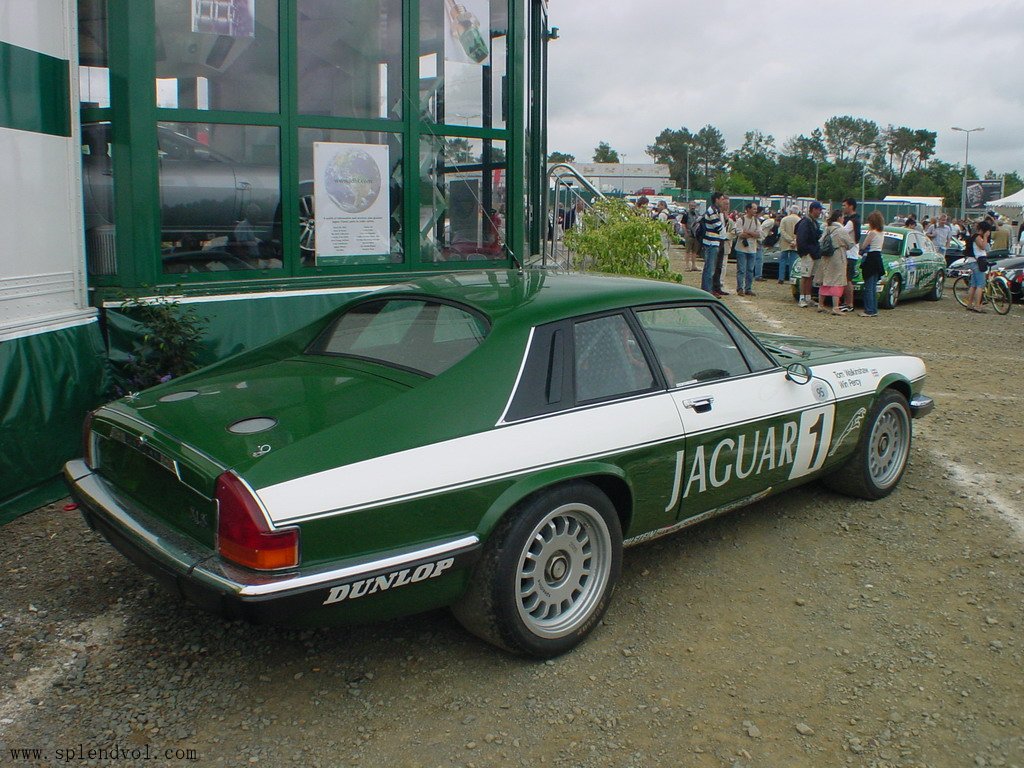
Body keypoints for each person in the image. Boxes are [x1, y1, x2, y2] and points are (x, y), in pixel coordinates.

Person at [818, 209, 856, 315]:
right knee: (837, 281)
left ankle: (820, 304)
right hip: (838, 257)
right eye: (842, 217)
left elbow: (820, 241)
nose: (843, 219)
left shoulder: (827, 228)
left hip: (826, 257)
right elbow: (850, 244)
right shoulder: (841, 230)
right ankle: (835, 307)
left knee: (825, 280)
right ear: (839, 218)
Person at [700, 192, 730, 297]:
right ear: (716, 200)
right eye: (721, 199)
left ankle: (708, 289)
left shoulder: (715, 211)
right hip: (711, 242)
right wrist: (724, 232)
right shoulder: (712, 211)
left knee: (711, 267)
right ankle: (707, 290)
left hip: (714, 242)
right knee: (710, 268)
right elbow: (718, 227)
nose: (723, 201)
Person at [795, 201, 824, 307]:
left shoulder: (814, 222)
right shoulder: (806, 222)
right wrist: (805, 252)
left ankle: (808, 297)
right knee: (805, 276)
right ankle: (802, 298)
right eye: (819, 210)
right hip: (808, 253)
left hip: (814, 253)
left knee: (810, 276)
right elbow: (801, 239)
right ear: (813, 209)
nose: (820, 212)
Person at [859, 211, 886, 318]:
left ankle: (869, 310)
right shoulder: (881, 233)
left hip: (870, 258)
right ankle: (874, 309)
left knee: (869, 287)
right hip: (878, 258)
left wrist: (861, 250)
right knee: (873, 286)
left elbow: (864, 246)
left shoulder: (872, 233)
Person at [965, 221, 994, 313]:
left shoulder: (974, 236)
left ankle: (970, 304)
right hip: (977, 262)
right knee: (980, 284)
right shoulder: (977, 237)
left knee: (974, 285)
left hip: (974, 261)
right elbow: (983, 247)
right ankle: (977, 305)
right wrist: (985, 237)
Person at [734, 202, 760, 296]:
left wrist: (748, 232)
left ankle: (748, 288)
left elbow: (759, 234)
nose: (755, 211)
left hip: (752, 249)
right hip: (741, 249)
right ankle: (740, 288)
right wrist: (752, 234)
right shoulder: (741, 220)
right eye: (754, 209)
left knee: (750, 270)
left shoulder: (756, 221)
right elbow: (739, 233)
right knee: (741, 269)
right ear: (748, 209)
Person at [840, 198, 860, 313]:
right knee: (847, 279)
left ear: (851, 206)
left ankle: (849, 303)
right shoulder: (855, 220)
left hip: (850, 254)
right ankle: (846, 302)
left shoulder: (852, 221)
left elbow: (841, 232)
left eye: (845, 205)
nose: (843, 208)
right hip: (852, 253)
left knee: (847, 279)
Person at [777, 205, 801, 284]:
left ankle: (781, 278)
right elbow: (801, 233)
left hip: (785, 243)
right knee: (793, 262)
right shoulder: (800, 220)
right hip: (795, 243)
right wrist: (794, 241)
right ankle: (792, 278)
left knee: (783, 260)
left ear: (790, 211)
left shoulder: (784, 219)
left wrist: (789, 239)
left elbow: (782, 231)